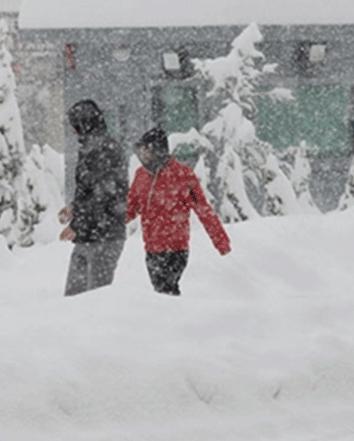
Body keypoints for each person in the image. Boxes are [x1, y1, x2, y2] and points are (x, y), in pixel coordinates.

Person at [125, 127, 230, 295]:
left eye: (147, 150)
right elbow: (130, 207)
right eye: (141, 150)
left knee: (166, 290)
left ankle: (174, 310)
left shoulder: (183, 175)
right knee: (162, 293)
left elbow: (204, 210)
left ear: (158, 150)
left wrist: (221, 242)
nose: (143, 155)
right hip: (151, 250)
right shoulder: (141, 175)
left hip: (176, 249)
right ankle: (176, 310)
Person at [59, 100, 128, 295]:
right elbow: (87, 191)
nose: (73, 130)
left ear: (85, 124)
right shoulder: (88, 148)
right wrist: (73, 208)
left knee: (94, 300)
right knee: (73, 298)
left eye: (75, 125)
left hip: (105, 238)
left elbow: (102, 197)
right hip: (88, 236)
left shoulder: (106, 150)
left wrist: (76, 225)